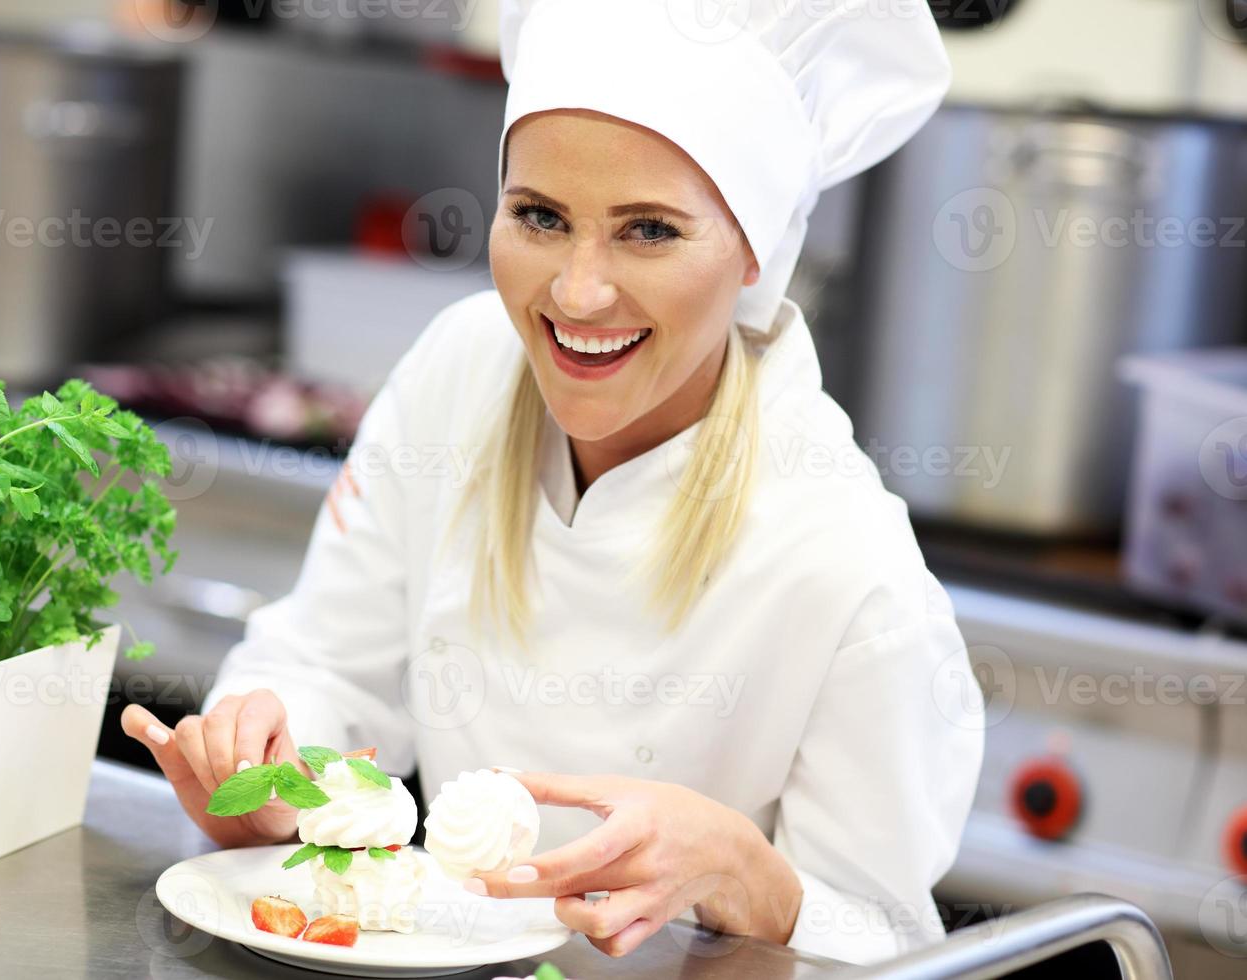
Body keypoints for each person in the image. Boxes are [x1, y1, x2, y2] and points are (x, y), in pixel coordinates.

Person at [123, 0, 984, 965]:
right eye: (539, 215)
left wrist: (751, 874)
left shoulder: (847, 562)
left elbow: (892, 947)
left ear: (752, 248)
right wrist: (268, 775)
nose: (577, 294)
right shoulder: (462, 369)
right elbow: (327, 669)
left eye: (648, 230)